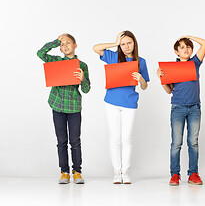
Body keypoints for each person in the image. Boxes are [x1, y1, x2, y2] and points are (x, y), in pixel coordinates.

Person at [93, 31, 149, 184]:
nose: (126, 46)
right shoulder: (113, 57)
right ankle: (117, 172)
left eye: (129, 43)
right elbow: (96, 48)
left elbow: (144, 87)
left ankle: (126, 172)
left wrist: (141, 79)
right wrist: (114, 43)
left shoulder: (141, 62)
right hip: (111, 102)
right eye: (123, 44)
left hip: (130, 103)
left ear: (134, 43)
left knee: (127, 138)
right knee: (115, 139)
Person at [37, 33, 91, 184]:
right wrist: (55, 41)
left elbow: (86, 90)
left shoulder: (82, 65)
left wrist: (83, 79)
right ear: (60, 49)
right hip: (58, 105)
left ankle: (77, 172)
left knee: (75, 141)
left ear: (75, 45)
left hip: (74, 107)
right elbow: (40, 53)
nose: (65, 45)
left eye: (68, 43)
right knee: (61, 141)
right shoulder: (56, 62)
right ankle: (64, 172)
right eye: (62, 44)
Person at [157, 36, 205, 186]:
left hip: (194, 108)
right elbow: (169, 90)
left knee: (193, 142)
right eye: (182, 47)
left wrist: (188, 37)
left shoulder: (195, 63)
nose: (186, 49)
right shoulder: (171, 68)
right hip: (178, 107)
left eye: (188, 46)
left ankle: (193, 173)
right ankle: (174, 174)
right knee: (176, 143)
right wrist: (161, 79)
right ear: (176, 51)